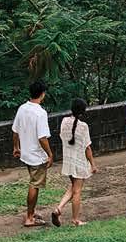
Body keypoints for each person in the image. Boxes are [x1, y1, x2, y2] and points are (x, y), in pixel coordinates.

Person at [10, 80, 53, 228]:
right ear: (42, 94)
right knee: (35, 184)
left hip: (26, 153)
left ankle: (32, 212)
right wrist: (50, 154)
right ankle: (29, 217)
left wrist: (16, 147)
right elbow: (42, 138)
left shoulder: (22, 108)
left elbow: (15, 131)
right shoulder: (40, 113)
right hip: (36, 156)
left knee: (34, 182)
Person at [50, 98, 96, 227]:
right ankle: (75, 219)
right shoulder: (83, 126)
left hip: (68, 160)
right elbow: (87, 148)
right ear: (83, 112)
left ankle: (58, 209)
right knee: (77, 191)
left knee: (73, 187)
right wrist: (93, 164)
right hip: (79, 162)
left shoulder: (64, 121)